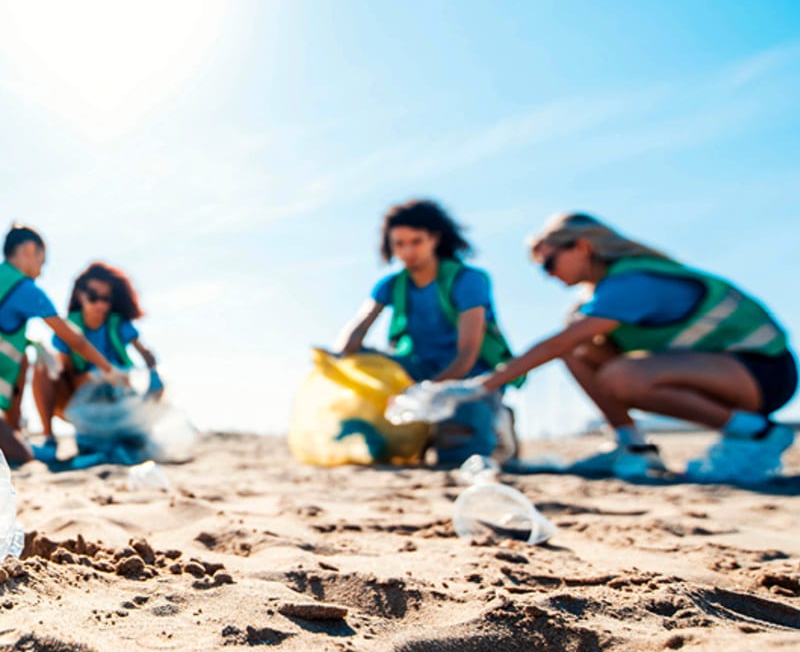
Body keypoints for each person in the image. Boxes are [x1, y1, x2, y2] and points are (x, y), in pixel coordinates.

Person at [466, 213, 795, 483]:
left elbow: (558, 343)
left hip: (764, 371)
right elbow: (570, 344)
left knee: (618, 374)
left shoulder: (633, 283)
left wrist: (481, 387)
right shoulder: (596, 298)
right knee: (580, 349)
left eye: (549, 262)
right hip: (719, 370)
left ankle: (757, 435)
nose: (548, 275)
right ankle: (633, 446)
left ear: (581, 247)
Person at [336, 200, 517, 466]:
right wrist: (346, 355)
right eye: (399, 244)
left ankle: (497, 419)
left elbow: (467, 353)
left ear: (434, 239)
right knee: (361, 363)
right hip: (417, 370)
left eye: (416, 241)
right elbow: (354, 335)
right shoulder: (391, 285)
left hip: (466, 378)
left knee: (459, 457)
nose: (408, 251)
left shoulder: (467, 280)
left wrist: (425, 393)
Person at [0, 226, 127, 466]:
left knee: (26, 354)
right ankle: (18, 444)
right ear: (29, 250)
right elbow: (74, 338)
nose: (40, 273)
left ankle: (14, 433)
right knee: (19, 454)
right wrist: (110, 370)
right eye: (41, 263)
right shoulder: (23, 288)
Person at [31, 263, 161, 460]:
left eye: (106, 298)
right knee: (42, 366)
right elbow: (68, 377)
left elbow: (146, 353)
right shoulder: (69, 327)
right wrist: (96, 376)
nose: (100, 304)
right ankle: (49, 438)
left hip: (117, 399)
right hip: (79, 400)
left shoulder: (117, 324)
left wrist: (154, 374)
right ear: (80, 295)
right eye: (93, 296)